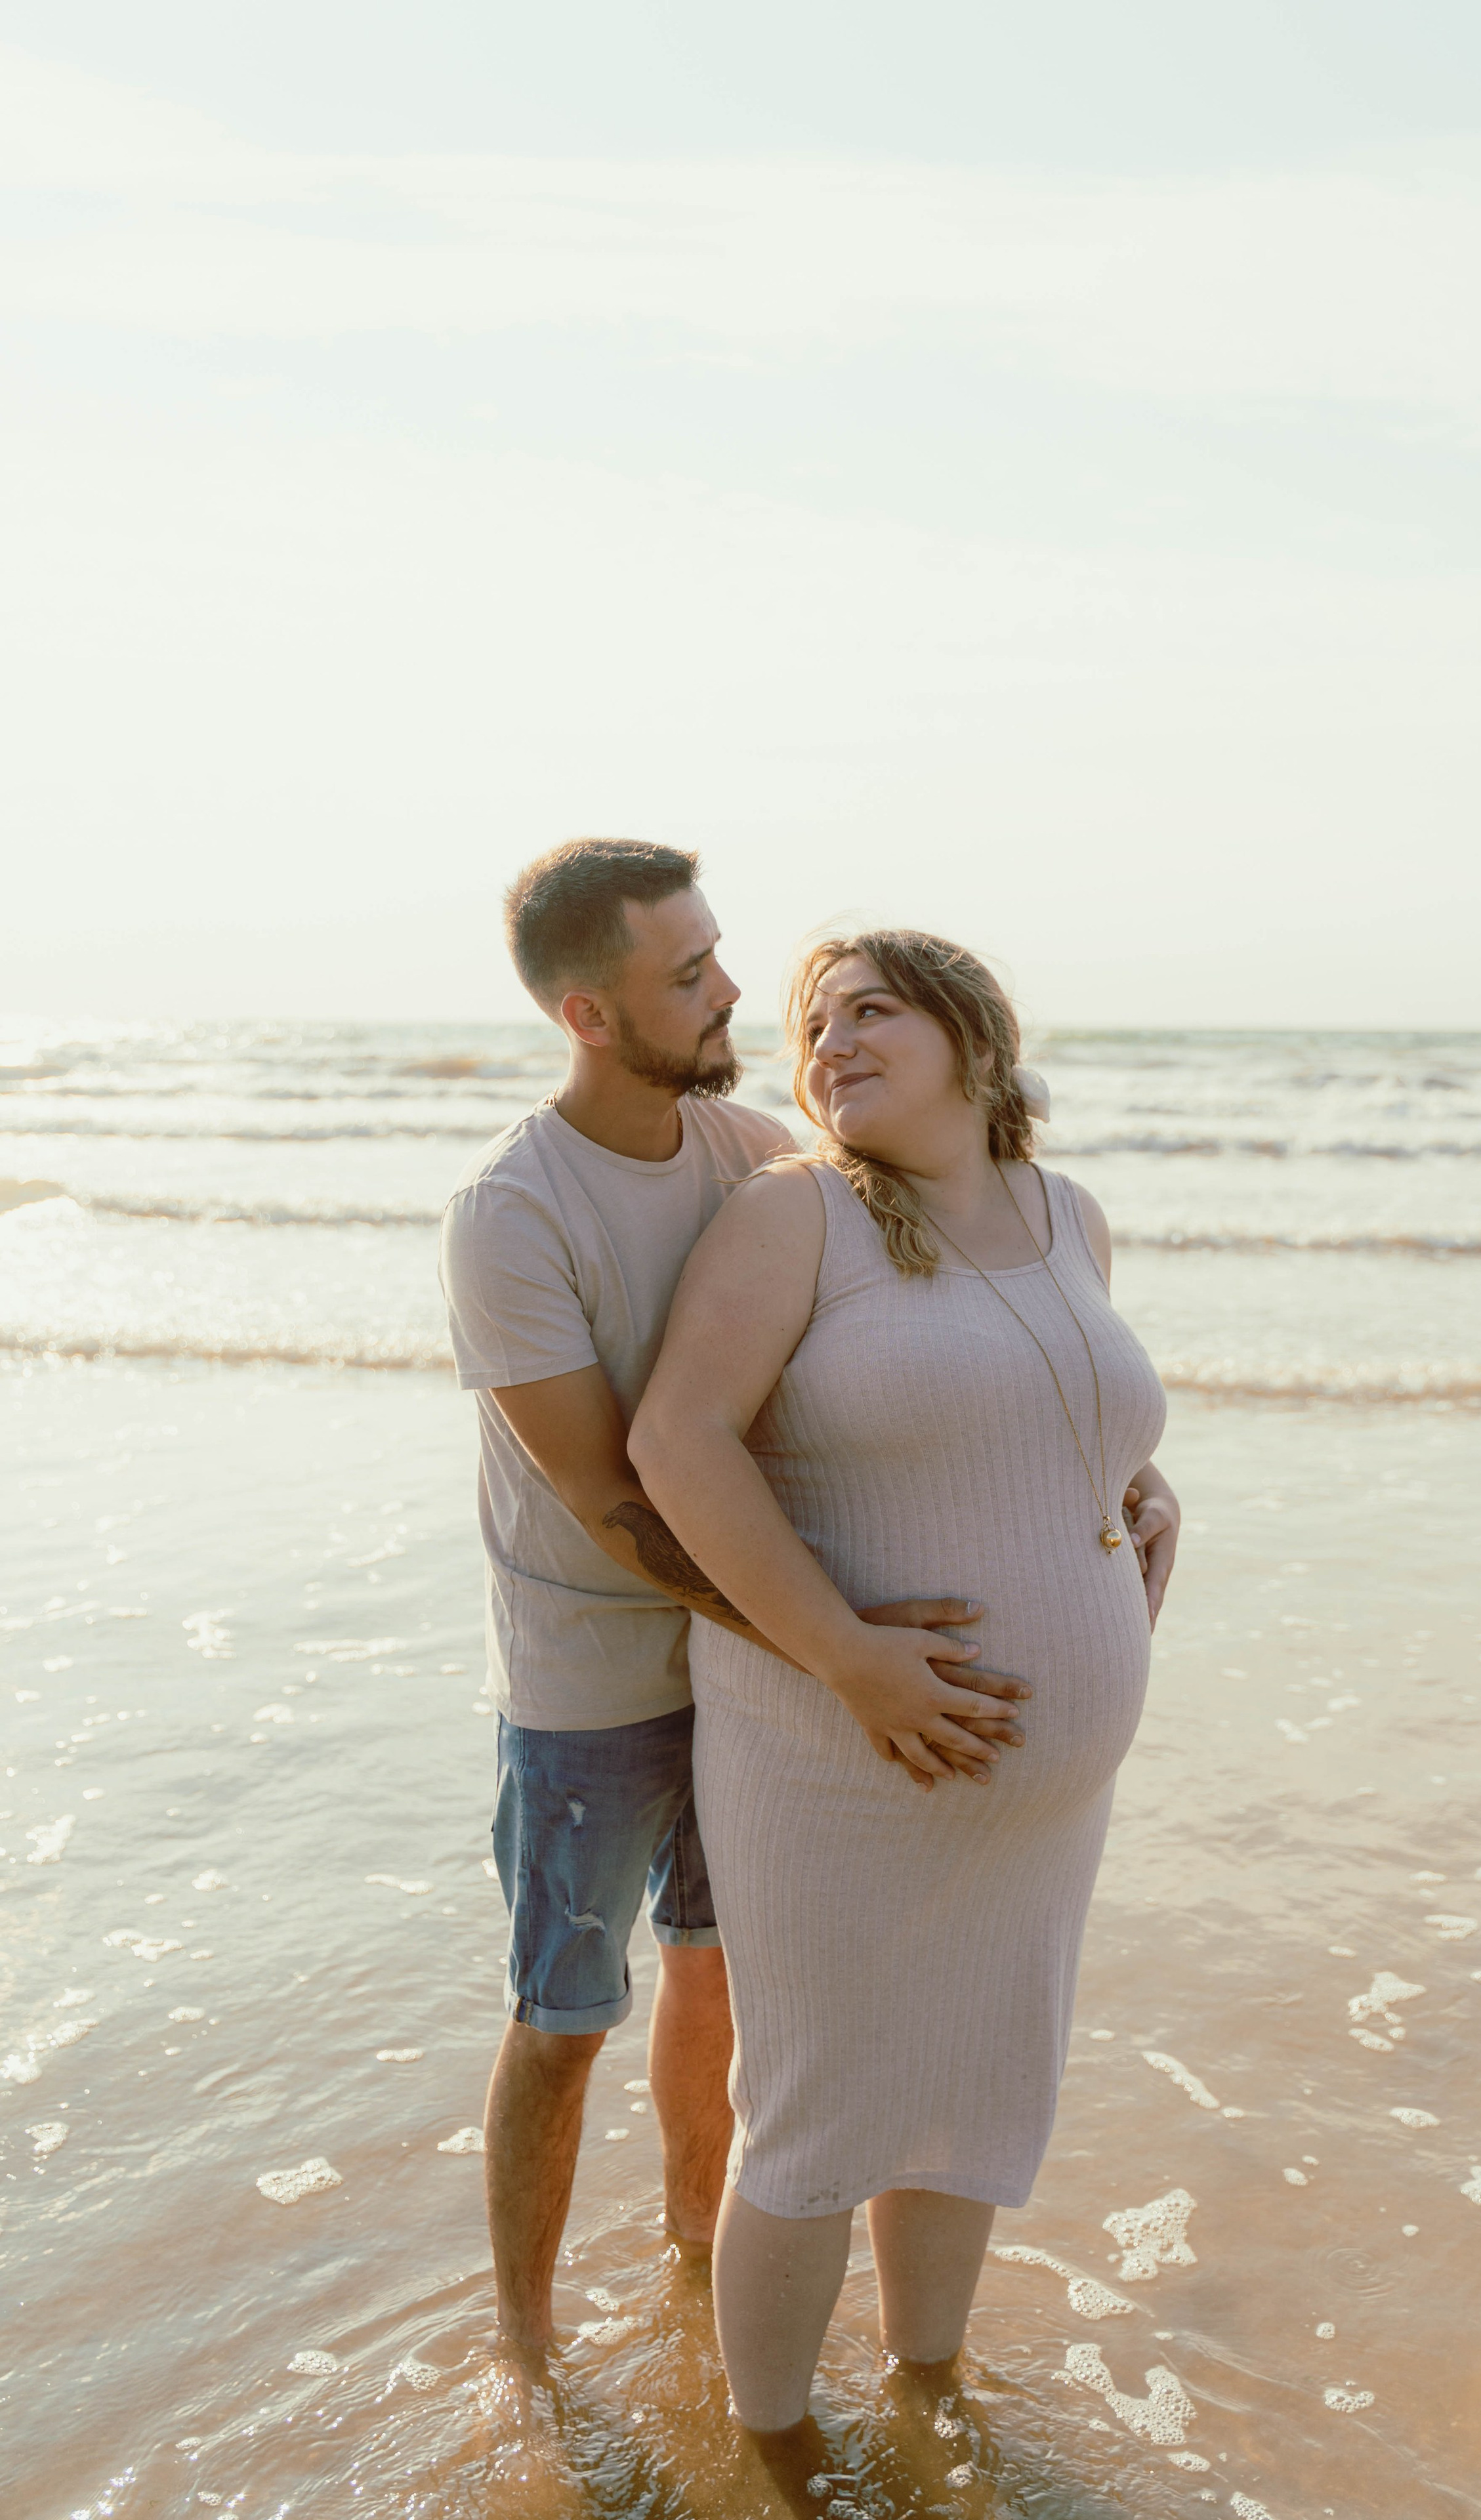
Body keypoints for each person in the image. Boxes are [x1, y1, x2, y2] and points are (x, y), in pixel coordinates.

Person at [439, 843, 1032, 2357]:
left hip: (748, 1668)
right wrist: (839, 1653)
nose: (727, 991)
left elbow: (934, 1316)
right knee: (566, 2020)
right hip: (591, 1679)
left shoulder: (750, 1151)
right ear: (587, 1012)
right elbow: (618, 1501)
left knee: (717, 1977)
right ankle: (524, 2343)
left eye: (715, 955)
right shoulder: (511, 1215)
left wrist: (1114, 1460)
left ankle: (695, 2260)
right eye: (685, 975)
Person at [628, 927, 1180, 2444]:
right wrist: (849, 1659)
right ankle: (773, 2447)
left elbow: (1035, 1397)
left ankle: (929, 2390)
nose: (831, 1044)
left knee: (973, 2095)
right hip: (835, 1755)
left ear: (972, 1036)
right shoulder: (795, 1217)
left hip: (1038, 1799)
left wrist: (1137, 1481)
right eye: (813, 1026)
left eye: (870, 1011)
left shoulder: (1069, 1214)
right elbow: (676, 1445)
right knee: (816, 2116)